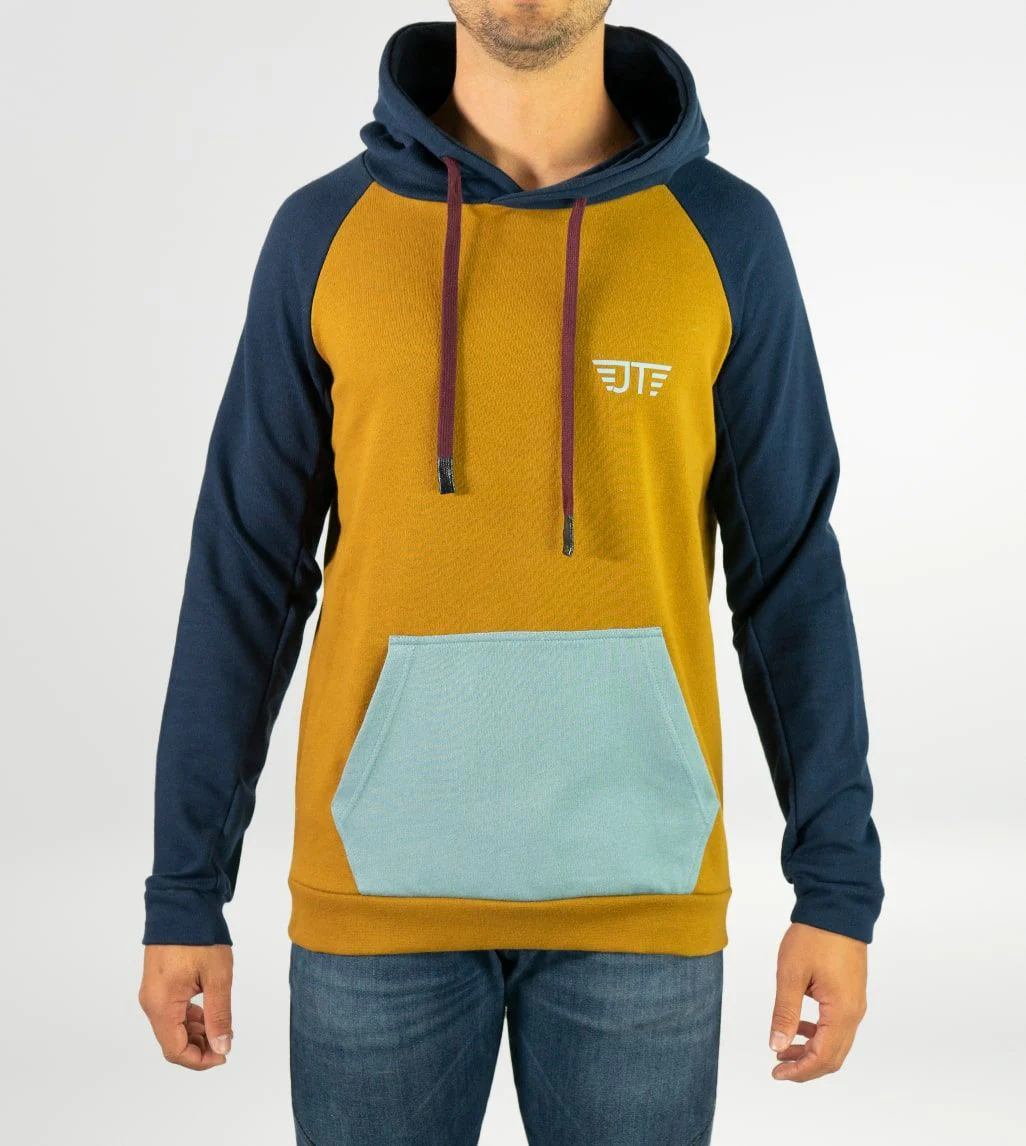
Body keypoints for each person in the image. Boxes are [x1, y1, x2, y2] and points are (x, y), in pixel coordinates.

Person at [138, 4, 884, 1143]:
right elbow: (245, 573)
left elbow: (789, 579)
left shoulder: (724, 235)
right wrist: (185, 887)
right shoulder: (325, 234)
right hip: (375, 903)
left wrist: (836, 887)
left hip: (639, 901)